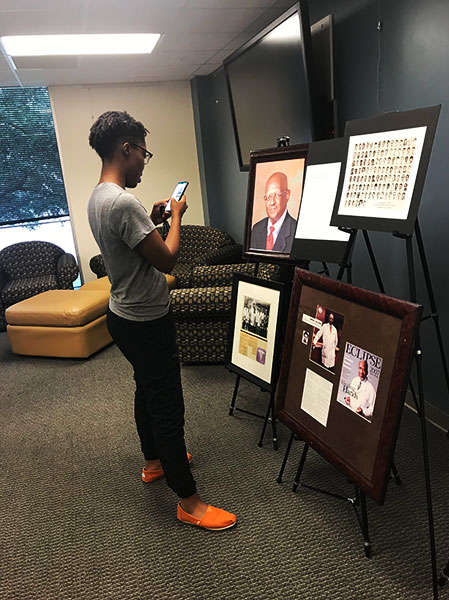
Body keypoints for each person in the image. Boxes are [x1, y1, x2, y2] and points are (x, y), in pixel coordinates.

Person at [87, 110, 236, 531]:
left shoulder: (98, 197)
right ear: (126, 149)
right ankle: (189, 502)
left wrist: (154, 222)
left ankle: (153, 463)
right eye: (143, 155)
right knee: (167, 405)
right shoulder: (123, 202)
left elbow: (130, 245)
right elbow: (168, 259)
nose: (143, 164)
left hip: (124, 315)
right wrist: (178, 216)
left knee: (146, 389)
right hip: (147, 320)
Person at [250, 171, 297, 252]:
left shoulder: (296, 231)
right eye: (268, 197)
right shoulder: (256, 229)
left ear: (287, 195)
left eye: (277, 195)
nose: (272, 202)